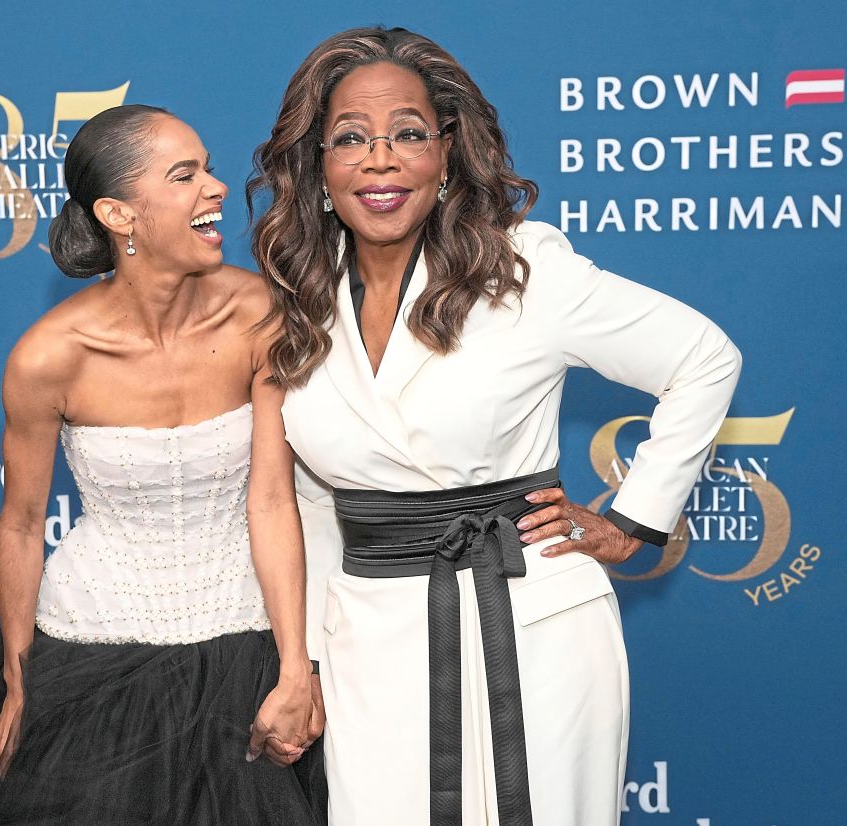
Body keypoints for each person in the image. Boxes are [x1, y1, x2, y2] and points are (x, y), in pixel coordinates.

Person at [247, 27, 741, 826]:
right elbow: (307, 504)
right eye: (350, 139)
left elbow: (703, 357)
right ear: (316, 164)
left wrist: (632, 521)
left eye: (408, 133)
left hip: (534, 624)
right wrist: (299, 663)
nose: (380, 159)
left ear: (446, 154)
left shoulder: (522, 270)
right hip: (367, 646)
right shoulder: (298, 302)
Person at [0, 104, 325, 825]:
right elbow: (24, 525)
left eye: (209, 168)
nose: (218, 188)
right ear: (119, 214)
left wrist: (295, 668)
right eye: (185, 174)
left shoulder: (257, 311)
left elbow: (272, 502)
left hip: (246, 643)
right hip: (93, 656)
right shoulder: (48, 356)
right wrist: (16, 676)